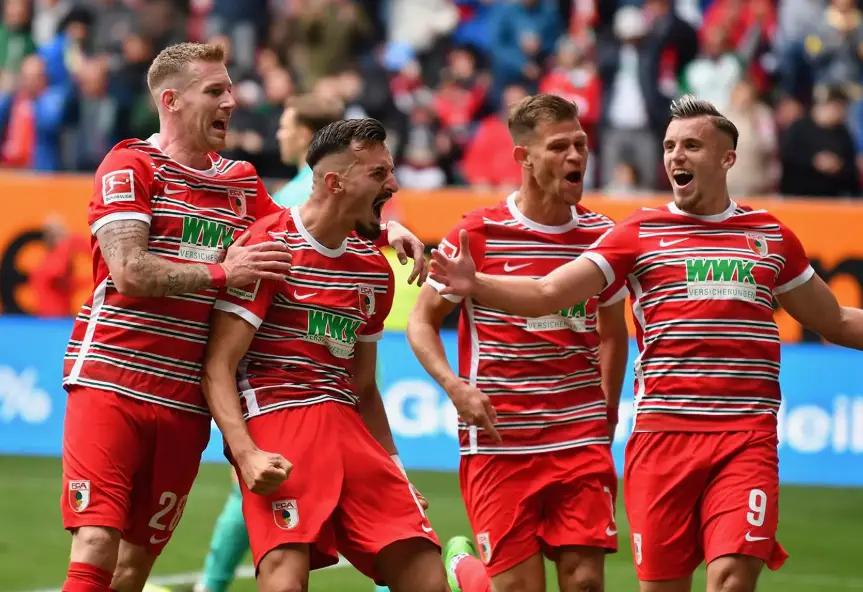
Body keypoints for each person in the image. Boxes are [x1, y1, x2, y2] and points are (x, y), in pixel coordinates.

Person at [428, 95, 863, 592]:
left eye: (692, 145)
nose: (677, 155)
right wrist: (477, 284)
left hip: (746, 439)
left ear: (727, 158)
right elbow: (549, 293)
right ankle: (470, 576)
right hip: (661, 441)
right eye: (670, 146)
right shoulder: (638, 233)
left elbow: (835, 320)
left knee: (729, 579)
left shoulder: (769, 236)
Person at [60, 42, 425, 592]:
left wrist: (382, 227)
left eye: (230, 89)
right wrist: (222, 274)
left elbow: (309, 228)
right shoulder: (130, 165)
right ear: (171, 101)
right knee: (95, 543)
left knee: (133, 567)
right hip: (113, 379)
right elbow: (129, 271)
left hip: (186, 400)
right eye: (215, 91)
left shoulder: (241, 181)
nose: (231, 101)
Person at [202, 118, 448, 592]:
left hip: (346, 425)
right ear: (335, 182)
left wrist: (396, 469)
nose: (393, 184)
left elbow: (364, 388)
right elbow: (218, 366)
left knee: (426, 576)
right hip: (279, 420)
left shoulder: (373, 270)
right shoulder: (268, 249)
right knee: (284, 581)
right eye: (379, 174)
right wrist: (245, 454)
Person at [408, 93, 629, 592]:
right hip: (500, 439)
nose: (575, 156)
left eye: (580, 144)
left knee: (585, 582)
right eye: (559, 147)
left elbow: (613, 332)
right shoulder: (476, 233)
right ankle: (465, 570)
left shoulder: (603, 236)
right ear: (523, 157)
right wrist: (454, 388)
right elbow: (422, 322)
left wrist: (607, 412)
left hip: (578, 436)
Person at [271, 93, 344, 207]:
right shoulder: (347, 183)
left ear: (303, 136)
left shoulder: (288, 197)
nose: (278, 135)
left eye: (283, 127)